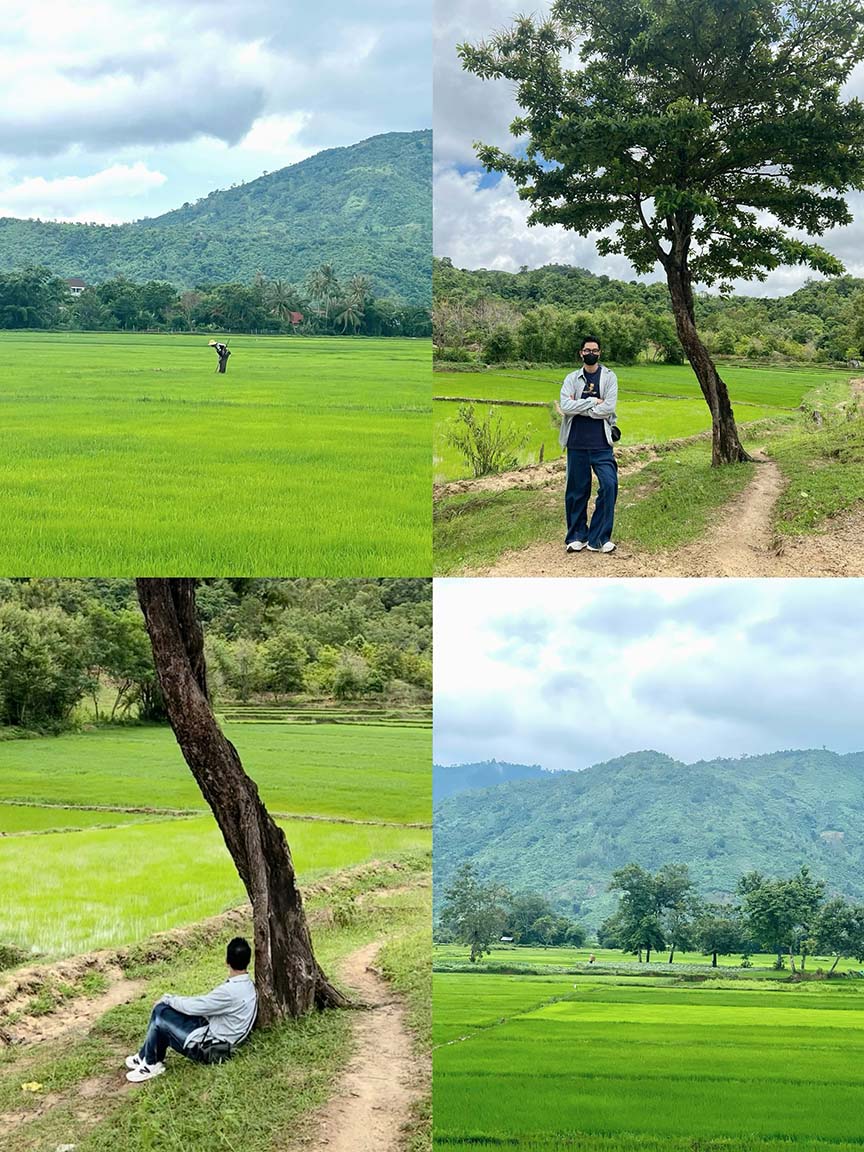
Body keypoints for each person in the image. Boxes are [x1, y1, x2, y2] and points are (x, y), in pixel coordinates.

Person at [125, 936, 257, 1083]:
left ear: (227, 961)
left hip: (210, 1048)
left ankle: (151, 1063)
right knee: (166, 1015)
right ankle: (145, 1056)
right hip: (220, 1037)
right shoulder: (249, 986)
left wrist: (168, 998)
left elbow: (195, 1007)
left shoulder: (230, 992)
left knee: (161, 1012)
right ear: (248, 961)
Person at [558, 337, 619, 554]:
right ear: (580, 353)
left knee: (610, 485)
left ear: (600, 353)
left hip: (602, 444)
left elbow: (609, 407)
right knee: (576, 491)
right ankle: (576, 536)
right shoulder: (571, 378)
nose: (590, 353)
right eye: (587, 350)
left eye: (594, 350)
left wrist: (579, 406)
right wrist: (594, 402)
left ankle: (599, 538)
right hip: (576, 442)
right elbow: (565, 406)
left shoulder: (609, 377)